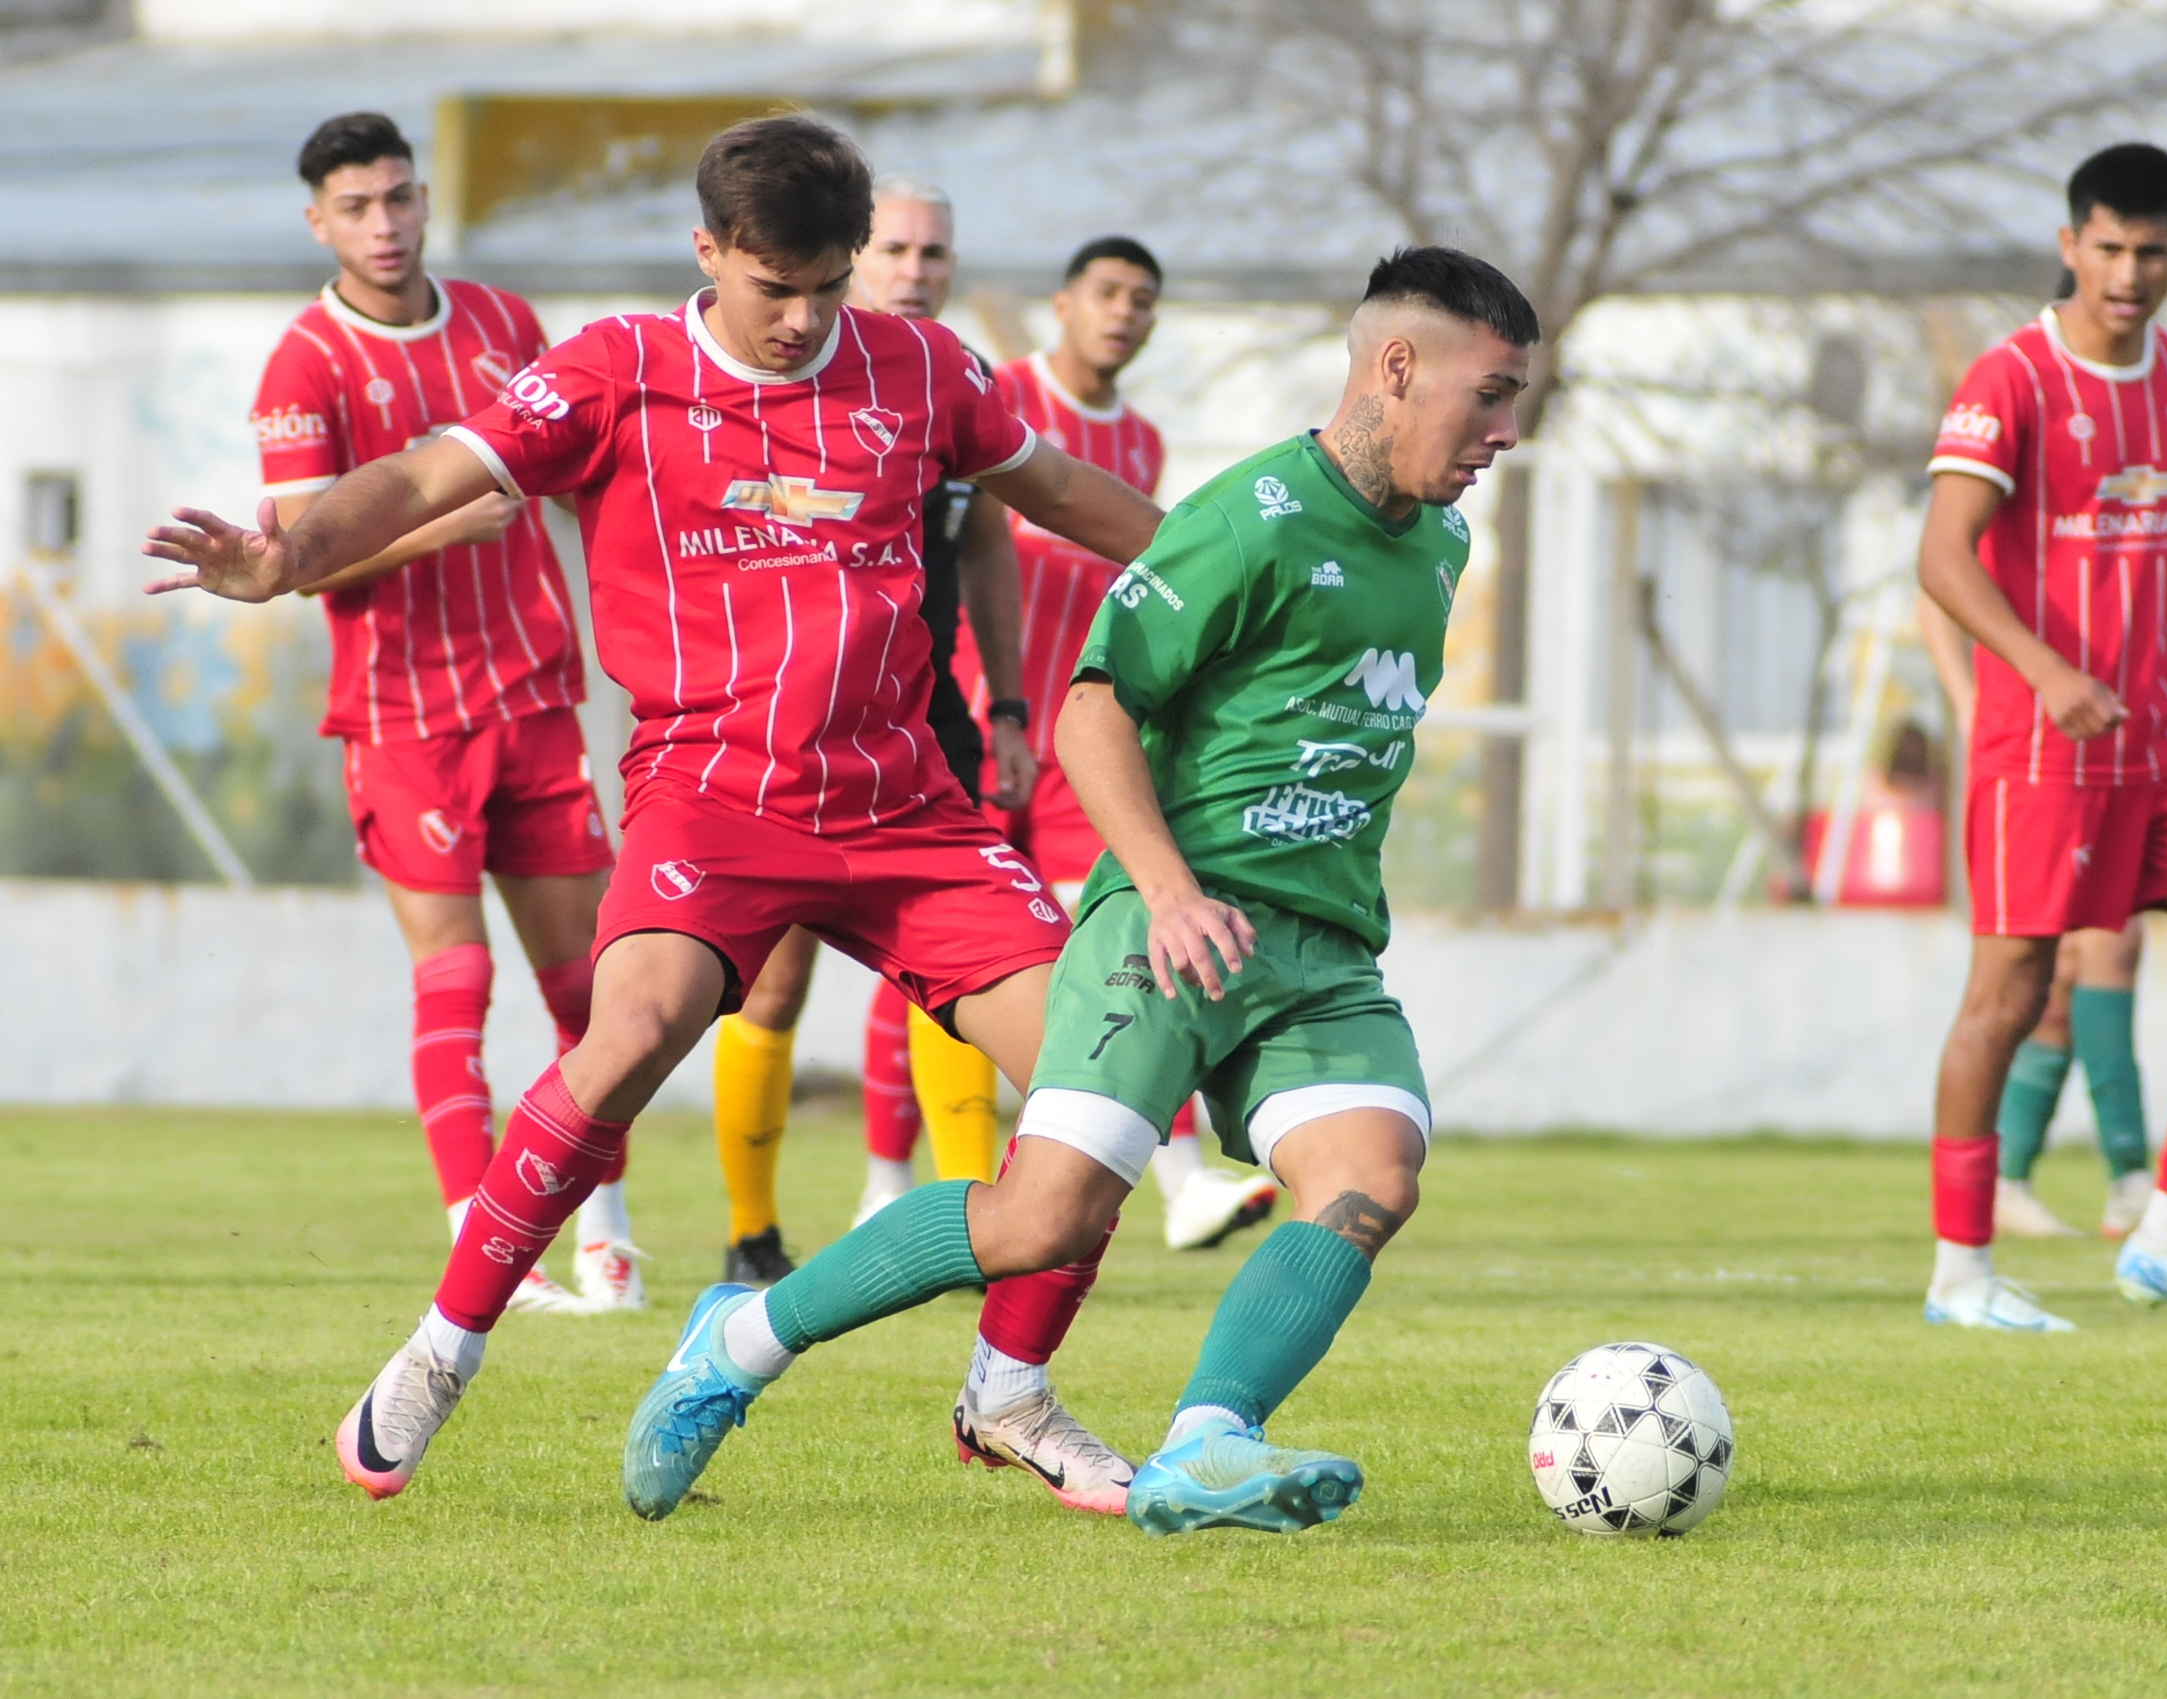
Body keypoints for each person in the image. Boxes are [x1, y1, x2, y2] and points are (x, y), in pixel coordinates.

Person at [143, 115, 1168, 1504]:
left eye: (827, 284)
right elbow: (427, 477)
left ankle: (1012, 1391)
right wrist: (285, 555)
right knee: (626, 1033)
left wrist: (1260, 568)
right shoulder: (617, 370)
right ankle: (447, 1340)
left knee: (1110, 1079)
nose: (805, 319)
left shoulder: (922, 365)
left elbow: (1059, 490)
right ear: (709, 255)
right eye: (773, 289)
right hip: (711, 797)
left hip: (902, 803)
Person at [622, 244, 1536, 1538]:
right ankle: (742, 1337)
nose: (1507, 429)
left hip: (1321, 949)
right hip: (1172, 927)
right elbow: (1095, 709)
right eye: (1491, 394)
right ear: (1397, 367)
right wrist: (1167, 890)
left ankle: (1209, 1441)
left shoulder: (1440, 539)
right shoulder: (1250, 517)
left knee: (1372, 1169)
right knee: (1040, 1219)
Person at [1916, 142, 2167, 1333]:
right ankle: (1960, 1274)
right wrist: (2037, 671)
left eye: (2149, 251)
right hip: (2040, 748)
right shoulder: (2010, 377)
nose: (2125, 271)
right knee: (2009, 994)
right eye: (2105, 247)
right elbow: (1938, 557)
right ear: (2067, 244)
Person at [253, 112, 621, 1315]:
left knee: (598, 994)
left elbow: (575, 472)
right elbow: (303, 557)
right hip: (402, 716)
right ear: (320, 222)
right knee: (456, 981)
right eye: (357, 206)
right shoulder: (304, 364)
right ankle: (482, 1250)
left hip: (531, 697)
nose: (385, 223)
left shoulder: (507, 325)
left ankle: (606, 1238)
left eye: (400, 198)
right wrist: (441, 521)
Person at [704, 175, 1038, 1288]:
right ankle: (750, 1229)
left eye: (933, 253)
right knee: (776, 982)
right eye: (891, 249)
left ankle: (970, 1222)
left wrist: (1006, 704)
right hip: (796, 715)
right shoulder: (795, 378)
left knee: (963, 971)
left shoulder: (959, 383)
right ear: (855, 257)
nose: (913, 270)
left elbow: (989, 544)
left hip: (927, 712)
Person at [969, 237, 1283, 1255]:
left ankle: (1182, 1179)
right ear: (1060, 303)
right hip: (975, 716)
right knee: (951, 964)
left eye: (1142, 300)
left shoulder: (1140, 441)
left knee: (1115, 942)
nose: (1123, 313)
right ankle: (898, 1184)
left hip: (1087, 732)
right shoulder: (993, 394)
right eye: (1106, 293)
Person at [1919, 486, 2167, 1241]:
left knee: (2097, 964)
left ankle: (2084, 1179)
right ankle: (2092, 1178)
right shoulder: (2033, 451)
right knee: (2044, 983)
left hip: (2141, 746)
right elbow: (1940, 585)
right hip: (2037, 759)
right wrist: (1966, 702)